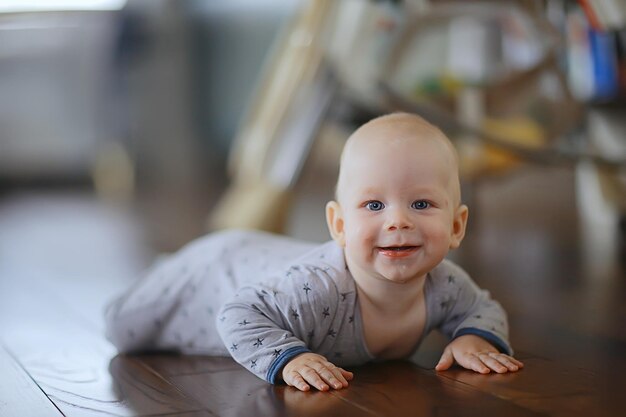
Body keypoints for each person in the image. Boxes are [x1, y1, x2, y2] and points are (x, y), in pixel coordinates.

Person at [105, 112, 523, 393]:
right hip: (216, 270)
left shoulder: (446, 284)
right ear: (339, 225)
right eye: (374, 206)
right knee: (122, 328)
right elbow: (238, 313)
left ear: (456, 226)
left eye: (421, 204)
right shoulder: (315, 290)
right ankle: (164, 269)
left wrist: (473, 338)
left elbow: (482, 309)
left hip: (270, 261)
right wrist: (290, 358)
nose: (398, 222)